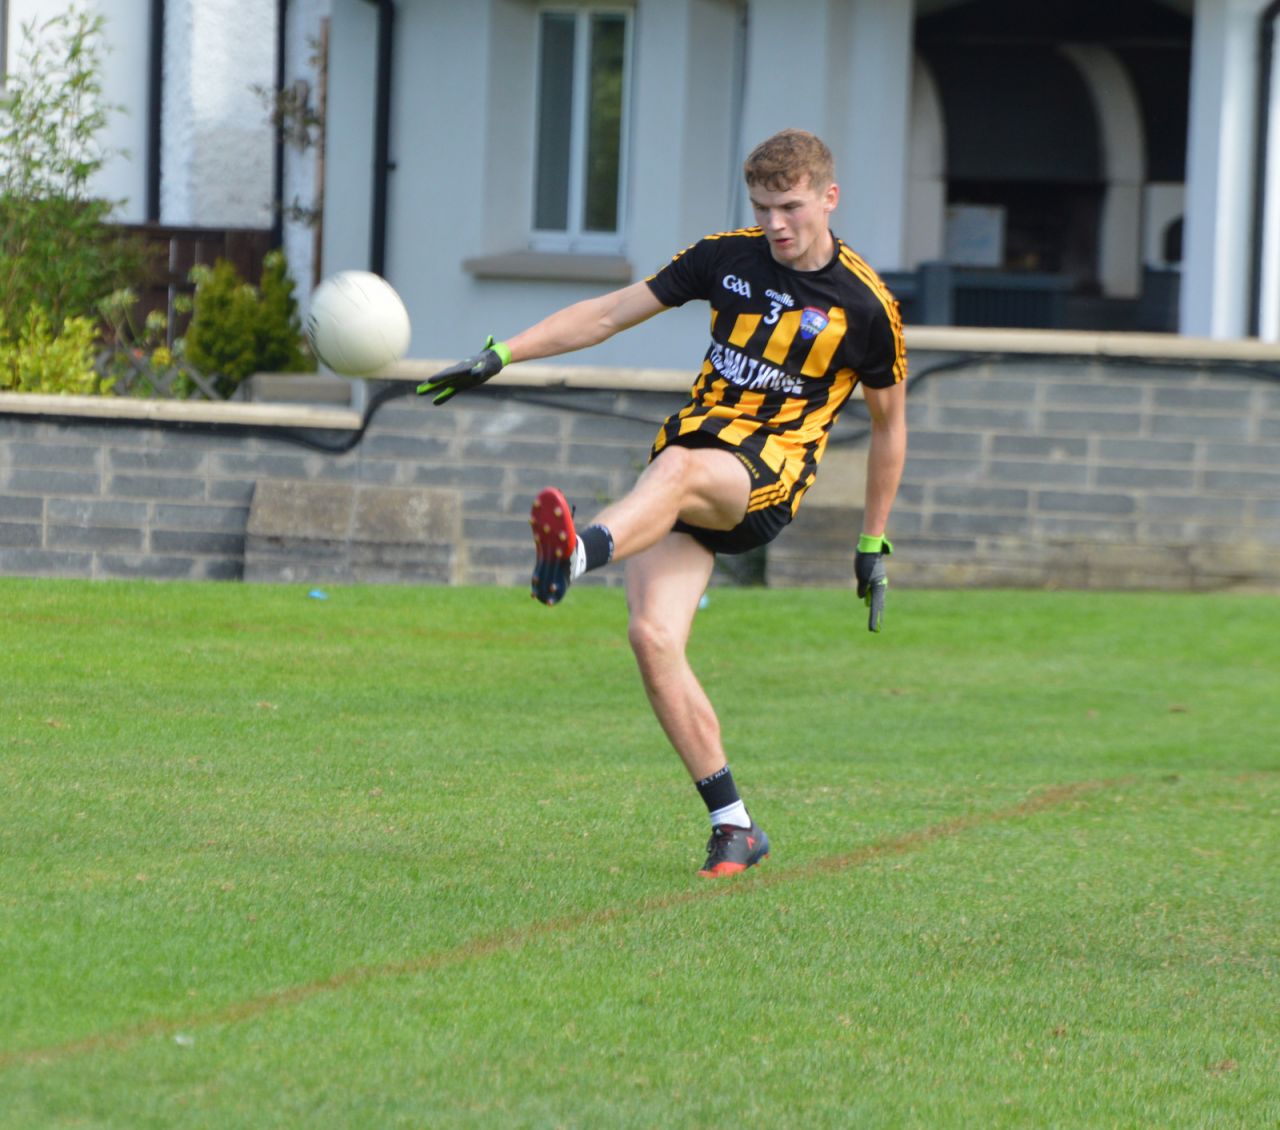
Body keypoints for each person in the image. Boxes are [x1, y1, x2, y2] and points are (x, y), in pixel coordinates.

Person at [419, 128, 907, 877]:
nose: (776, 223)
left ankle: (576, 553)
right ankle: (735, 824)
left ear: (828, 198)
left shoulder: (866, 306)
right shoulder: (724, 257)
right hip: (683, 471)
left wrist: (873, 543)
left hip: (763, 478)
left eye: (791, 206)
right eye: (762, 207)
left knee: (677, 466)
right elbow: (612, 312)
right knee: (652, 638)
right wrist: (502, 355)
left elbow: (888, 425)